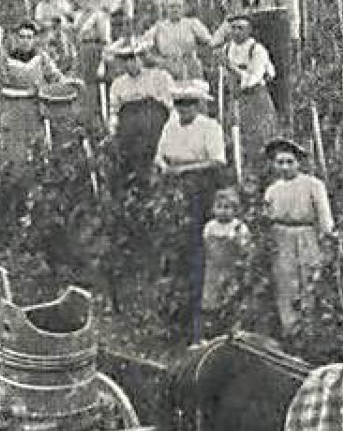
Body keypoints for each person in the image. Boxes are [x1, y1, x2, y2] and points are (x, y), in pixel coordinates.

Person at [156, 80, 227, 342]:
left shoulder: (209, 128)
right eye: (179, 104)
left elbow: (217, 160)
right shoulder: (171, 126)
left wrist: (184, 169)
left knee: (198, 250)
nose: (183, 109)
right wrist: (164, 166)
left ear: (198, 105)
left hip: (200, 191)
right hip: (173, 191)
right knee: (174, 252)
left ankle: (200, 319)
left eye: (189, 104)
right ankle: (175, 315)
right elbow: (160, 155)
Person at [263, 137, 335, 336]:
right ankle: (290, 330)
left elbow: (324, 215)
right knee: (285, 283)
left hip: (306, 236)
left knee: (309, 279)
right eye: (280, 162)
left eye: (289, 162)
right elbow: (266, 218)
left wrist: (327, 235)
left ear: (298, 163)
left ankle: (309, 329)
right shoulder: (272, 190)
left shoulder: (313, 185)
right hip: (281, 238)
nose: (285, 167)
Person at [212, 11, 279, 179]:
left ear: (249, 29)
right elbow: (223, 77)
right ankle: (240, 174)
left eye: (240, 28)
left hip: (256, 98)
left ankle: (264, 174)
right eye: (233, 28)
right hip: (236, 98)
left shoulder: (257, 50)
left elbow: (253, 80)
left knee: (260, 138)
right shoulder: (227, 48)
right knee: (235, 135)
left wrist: (230, 66)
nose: (236, 32)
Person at [0, 19, 68, 170]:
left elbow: (55, 75)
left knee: (39, 145)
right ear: (15, 38)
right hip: (13, 107)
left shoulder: (41, 58)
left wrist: (61, 84)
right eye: (22, 37)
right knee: (15, 151)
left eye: (29, 37)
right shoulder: (6, 59)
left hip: (35, 107)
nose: (25, 41)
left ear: (34, 39)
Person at [108, 43, 174, 178]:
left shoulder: (159, 77)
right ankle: (134, 178)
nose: (130, 64)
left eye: (133, 58)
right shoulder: (118, 84)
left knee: (148, 133)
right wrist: (113, 128)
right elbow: (115, 110)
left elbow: (169, 104)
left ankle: (150, 172)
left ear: (142, 58)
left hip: (153, 118)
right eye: (126, 60)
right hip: (129, 122)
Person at [200, 187, 252, 341]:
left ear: (235, 210)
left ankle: (231, 334)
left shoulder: (239, 227)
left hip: (231, 270)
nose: (223, 211)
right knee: (211, 301)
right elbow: (207, 247)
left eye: (227, 207)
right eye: (219, 207)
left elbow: (245, 249)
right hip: (213, 271)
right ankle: (210, 334)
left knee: (230, 300)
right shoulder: (210, 227)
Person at [71, 0, 112, 128]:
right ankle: (87, 117)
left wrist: (103, 58)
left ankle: (101, 119)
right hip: (82, 51)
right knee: (83, 85)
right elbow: (74, 35)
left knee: (95, 83)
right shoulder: (78, 16)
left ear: (95, 0)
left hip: (95, 50)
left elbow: (105, 39)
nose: (85, 2)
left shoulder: (100, 16)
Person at [147, 0, 214, 81]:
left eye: (179, 7)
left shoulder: (192, 23)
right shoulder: (159, 27)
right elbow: (143, 45)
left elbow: (210, 41)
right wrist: (158, 60)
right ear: (166, 9)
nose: (175, 10)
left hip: (190, 66)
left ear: (183, 8)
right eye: (172, 7)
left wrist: (204, 58)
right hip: (168, 67)